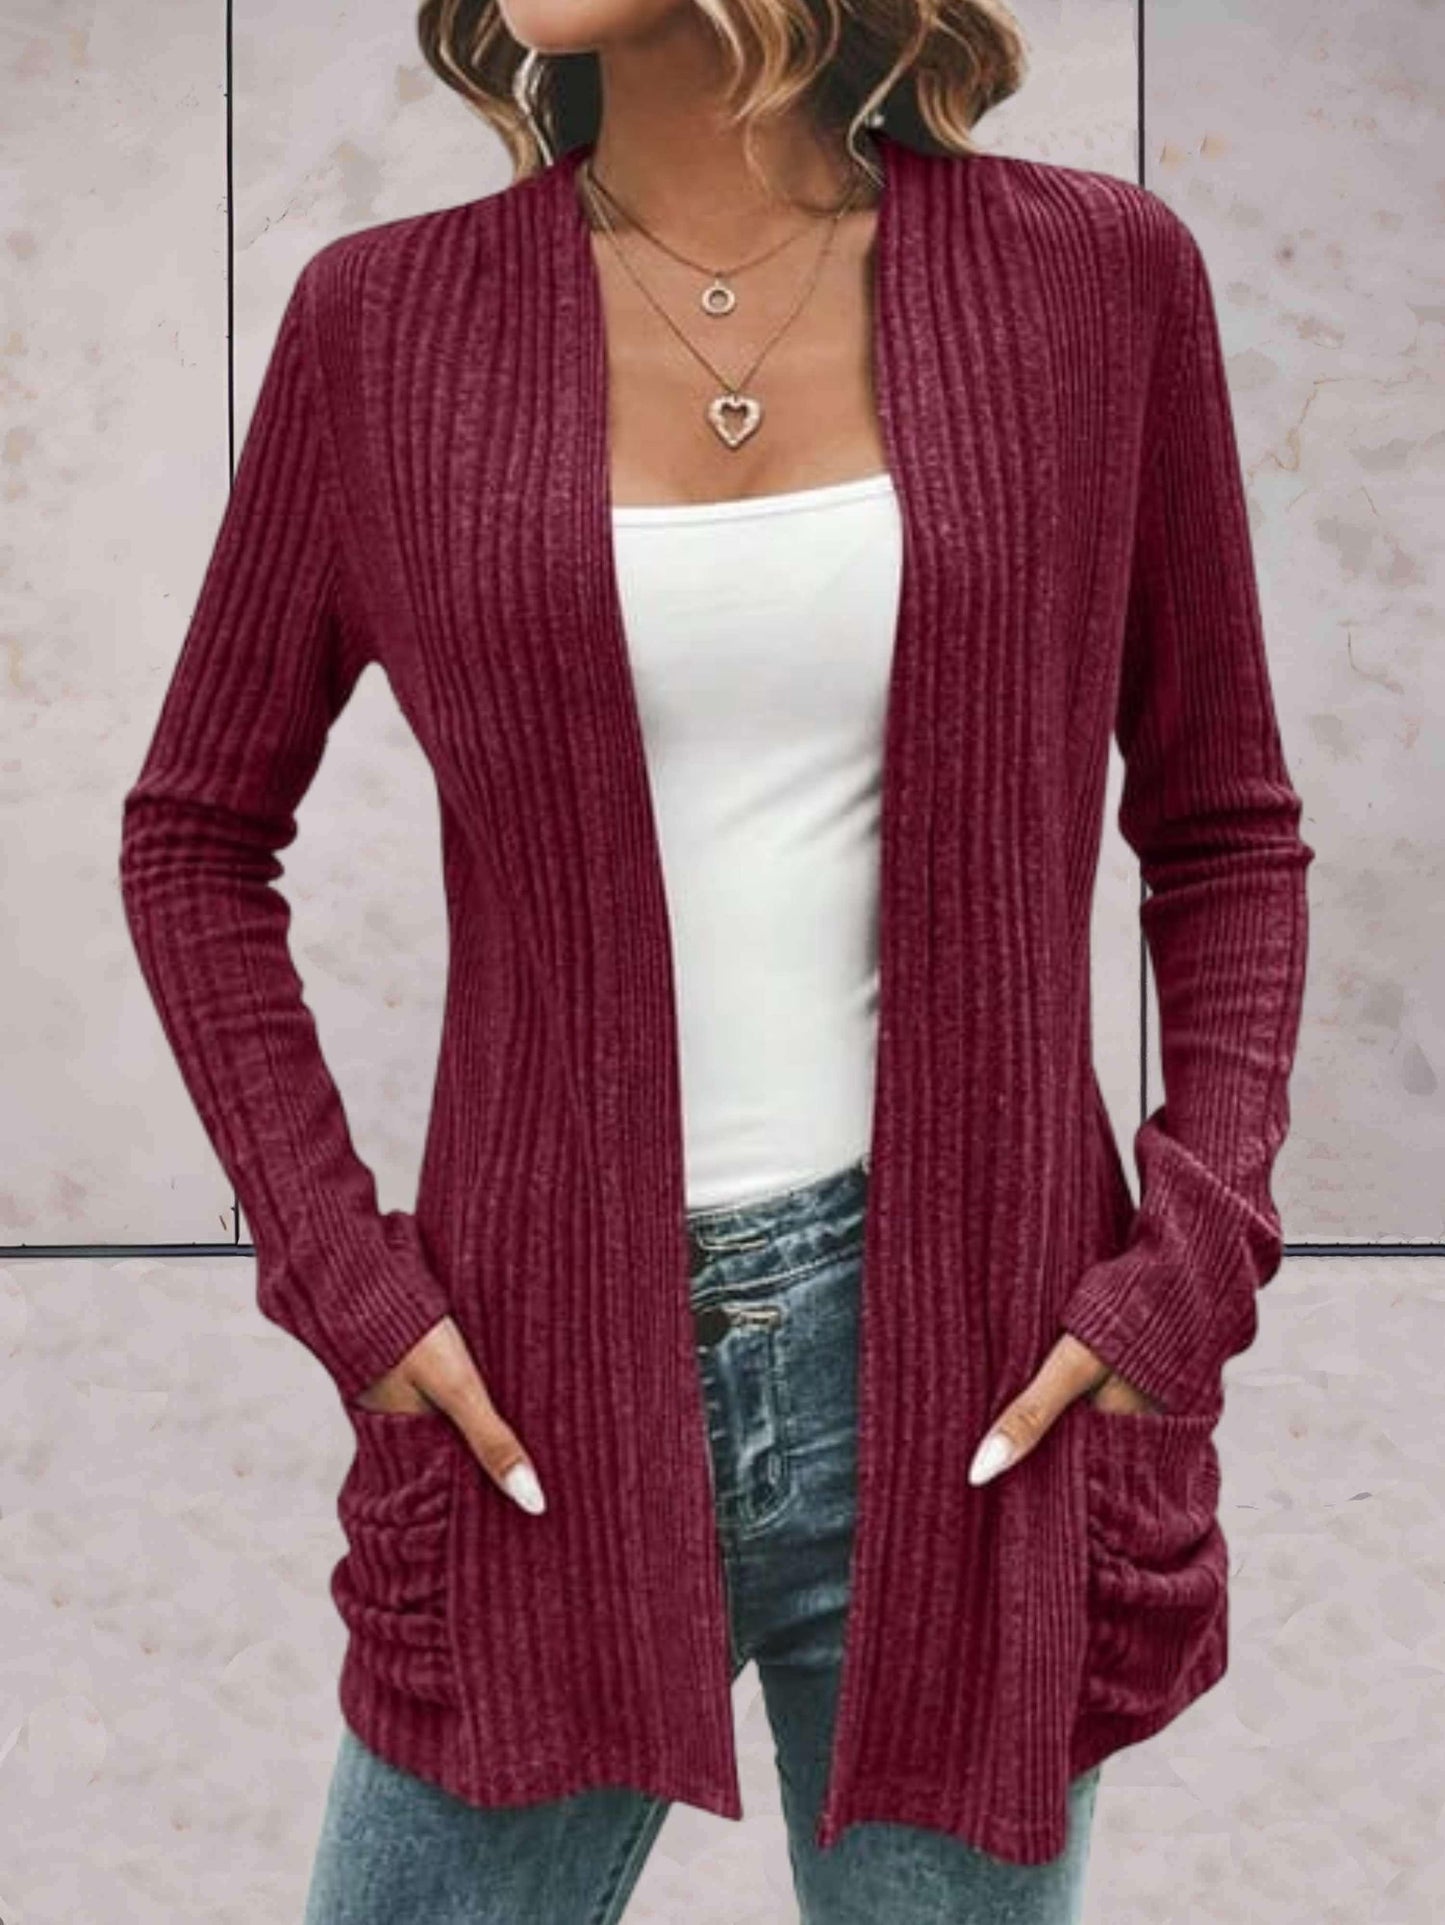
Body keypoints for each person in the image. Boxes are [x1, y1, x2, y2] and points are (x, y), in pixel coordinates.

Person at [117, 0, 1315, 1918]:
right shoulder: (384, 322)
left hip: (981, 1384)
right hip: (537, 1377)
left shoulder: (1095, 282)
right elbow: (192, 834)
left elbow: (1224, 825)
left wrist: (1190, 1259)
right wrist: (342, 1274)